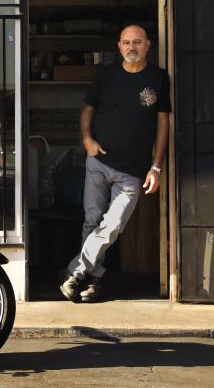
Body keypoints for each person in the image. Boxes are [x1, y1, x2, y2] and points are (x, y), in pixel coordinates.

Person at [60, 24, 170, 303]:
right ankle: (92, 280)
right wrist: (86, 140)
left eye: (137, 42)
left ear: (148, 45)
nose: (131, 47)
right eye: (126, 42)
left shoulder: (158, 78)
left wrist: (156, 167)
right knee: (92, 222)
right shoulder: (106, 74)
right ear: (119, 46)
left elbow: (162, 122)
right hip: (98, 162)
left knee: (112, 225)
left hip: (133, 171)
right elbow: (88, 109)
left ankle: (76, 271)